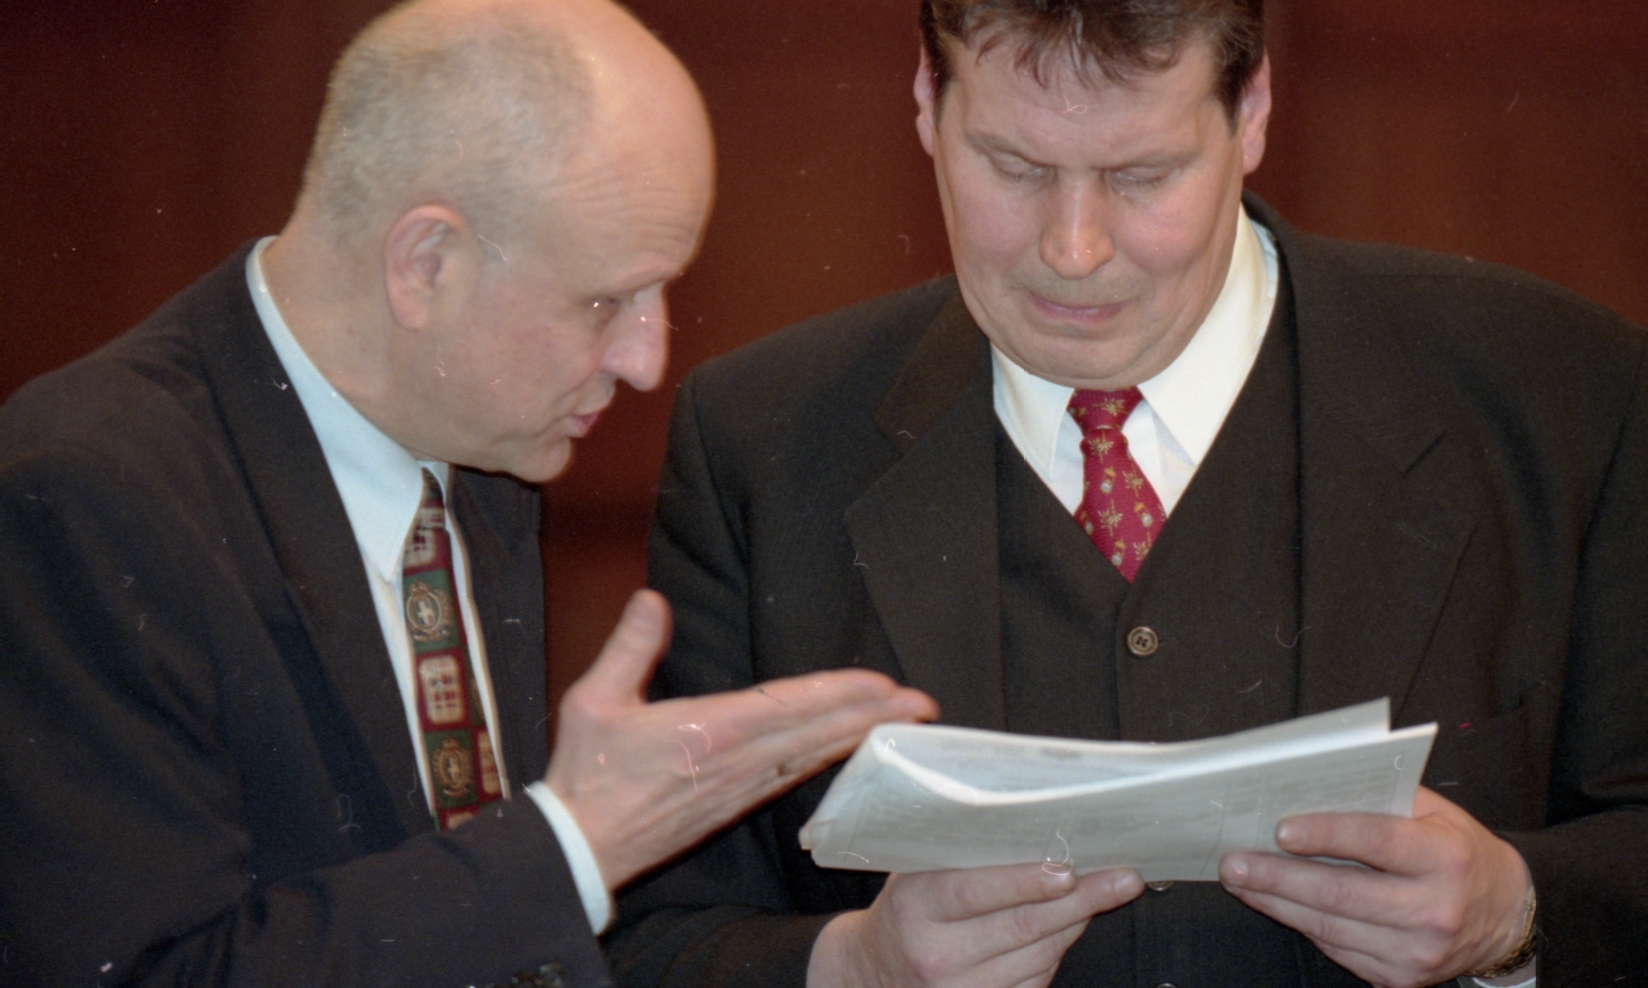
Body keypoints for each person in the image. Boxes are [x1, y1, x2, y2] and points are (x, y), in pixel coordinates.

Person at [605, 1, 1648, 986]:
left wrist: (1517, 914)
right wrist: (851, 967)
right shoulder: (757, 444)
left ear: (1250, 111)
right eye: (1012, 166)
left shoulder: (1565, 399)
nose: (1074, 249)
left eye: (1143, 174)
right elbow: (649, 941)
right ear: (926, 100)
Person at [0, 0, 938, 985]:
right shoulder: (84, 498)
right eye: (604, 301)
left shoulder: (484, 452)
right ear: (426, 265)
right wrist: (572, 846)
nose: (647, 360)